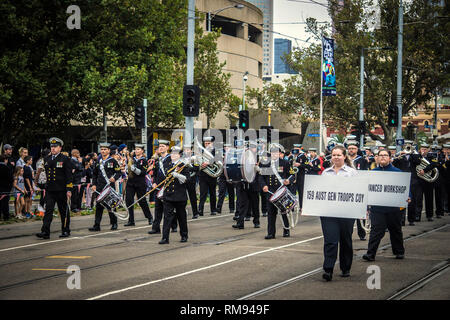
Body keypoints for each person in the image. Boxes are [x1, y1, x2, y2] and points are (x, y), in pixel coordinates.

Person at [320, 145, 358, 281]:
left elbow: (358, 192)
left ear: (344, 156)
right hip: (329, 212)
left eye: (338, 155)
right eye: (333, 155)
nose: (336, 157)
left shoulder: (352, 172)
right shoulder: (326, 173)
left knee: (345, 240)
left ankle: (345, 267)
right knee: (330, 240)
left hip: (346, 213)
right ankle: (328, 269)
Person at [363, 149, 407, 261]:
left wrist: (409, 196)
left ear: (390, 158)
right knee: (376, 231)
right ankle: (370, 254)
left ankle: (399, 252)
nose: (382, 157)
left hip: (394, 208)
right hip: (377, 208)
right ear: (376, 158)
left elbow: (405, 188)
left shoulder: (398, 172)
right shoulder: (372, 173)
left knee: (395, 230)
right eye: (380, 155)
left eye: (385, 155)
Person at [36, 137, 73, 239]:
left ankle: (65, 230)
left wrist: (69, 189)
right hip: (50, 190)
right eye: (51, 147)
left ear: (60, 148)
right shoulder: (47, 159)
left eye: (55, 147)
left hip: (61, 190)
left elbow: (69, 176)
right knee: (48, 211)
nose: (53, 148)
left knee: (63, 211)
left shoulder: (65, 159)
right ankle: (45, 231)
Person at [259, 144, 295, 239]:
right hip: (270, 191)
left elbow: (292, 175)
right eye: (273, 152)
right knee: (271, 213)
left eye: (276, 152)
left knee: (284, 211)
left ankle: (286, 229)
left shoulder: (285, 163)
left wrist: (288, 181)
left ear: (279, 153)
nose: (274, 154)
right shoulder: (266, 163)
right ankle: (271, 233)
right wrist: (264, 185)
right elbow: (261, 177)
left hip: (281, 190)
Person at [158, 146, 190, 244]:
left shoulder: (184, 165)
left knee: (181, 217)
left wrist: (177, 175)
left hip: (179, 196)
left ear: (179, 155)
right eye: (172, 153)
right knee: (167, 218)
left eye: (175, 154)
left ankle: (184, 235)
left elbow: (187, 179)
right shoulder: (167, 164)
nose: (173, 155)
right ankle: (165, 238)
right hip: (169, 195)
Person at [89, 142, 122, 231]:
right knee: (99, 207)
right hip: (99, 187)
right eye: (102, 149)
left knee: (111, 206)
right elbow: (94, 174)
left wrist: (114, 178)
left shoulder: (113, 161)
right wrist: (94, 185)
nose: (103, 151)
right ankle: (96, 225)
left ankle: (114, 223)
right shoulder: (98, 161)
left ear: (109, 150)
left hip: (109, 187)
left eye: (105, 149)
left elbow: (119, 172)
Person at [148, 140, 177, 234]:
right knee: (158, 209)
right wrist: (154, 182)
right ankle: (156, 228)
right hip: (158, 188)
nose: (160, 148)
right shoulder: (157, 160)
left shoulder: (171, 159)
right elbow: (155, 174)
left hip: (168, 187)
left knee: (168, 209)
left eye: (163, 146)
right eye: (159, 146)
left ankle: (174, 226)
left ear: (167, 148)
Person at [232, 141, 261, 229]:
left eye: (254, 147)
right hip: (243, 184)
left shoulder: (259, 158)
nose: (252, 149)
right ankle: (240, 223)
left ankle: (256, 222)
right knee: (242, 204)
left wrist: (258, 169)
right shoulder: (243, 157)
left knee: (255, 204)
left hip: (254, 184)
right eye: (250, 147)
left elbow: (263, 171)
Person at [124, 144, 153, 226]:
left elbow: (143, 172)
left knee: (142, 201)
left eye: (139, 149)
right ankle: (131, 220)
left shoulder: (144, 160)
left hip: (140, 183)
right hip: (130, 183)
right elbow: (127, 171)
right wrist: (127, 169)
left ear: (142, 151)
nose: (137, 151)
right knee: (129, 201)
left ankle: (149, 217)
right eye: (136, 149)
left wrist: (134, 169)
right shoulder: (131, 159)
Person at [347, 141, 368, 240]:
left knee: (360, 213)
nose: (351, 150)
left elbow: (365, 174)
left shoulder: (362, 160)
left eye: (353, 148)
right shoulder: (345, 160)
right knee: (349, 213)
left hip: (359, 188)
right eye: (350, 148)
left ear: (357, 149)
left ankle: (362, 233)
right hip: (348, 189)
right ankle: (348, 233)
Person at [198, 136, 219, 216]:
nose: (207, 145)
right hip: (203, 175)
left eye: (208, 143)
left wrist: (208, 163)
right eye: (205, 143)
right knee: (203, 193)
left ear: (212, 143)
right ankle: (200, 210)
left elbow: (217, 159)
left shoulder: (215, 150)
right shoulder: (201, 151)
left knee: (212, 193)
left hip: (212, 175)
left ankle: (213, 210)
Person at [217, 143, 236, 215]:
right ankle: (218, 208)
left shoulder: (233, 156)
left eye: (228, 147)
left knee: (231, 192)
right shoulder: (221, 155)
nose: (226, 148)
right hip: (222, 176)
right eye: (225, 147)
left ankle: (232, 208)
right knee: (221, 192)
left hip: (230, 176)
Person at [182, 144, 200, 219]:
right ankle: (183, 212)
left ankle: (195, 213)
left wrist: (187, 168)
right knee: (182, 197)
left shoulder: (195, 158)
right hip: (183, 180)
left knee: (192, 197)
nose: (187, 151)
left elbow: (196, 168)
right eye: (185, 150)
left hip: (191, 179)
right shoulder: (181, 158)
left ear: (191, 150)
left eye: (188, 149)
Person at [35, 149, 50, 215]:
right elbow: (38, 172)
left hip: (45, 180)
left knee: (45, 195)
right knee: (44, 195)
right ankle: (40, 208)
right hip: (42, 181)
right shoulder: (42, 161)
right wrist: (36, 181)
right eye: (49, 153)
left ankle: (43, 208)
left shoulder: (44, 160)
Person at [0, 155, 13, 220]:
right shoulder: (7, 168)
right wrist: (9, 187)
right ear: (5, 160)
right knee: (5, 203)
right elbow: (10, 179)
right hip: (5, 188)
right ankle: (6, 217)